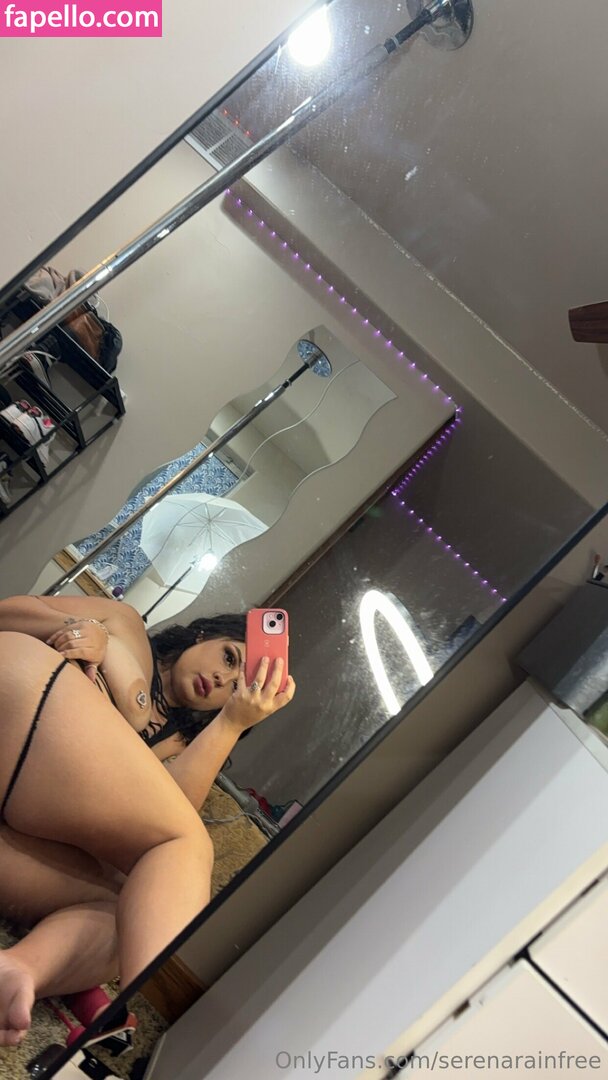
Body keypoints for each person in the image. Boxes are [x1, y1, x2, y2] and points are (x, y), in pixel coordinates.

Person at [0, 593, 295, 1048]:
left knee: (136, 906)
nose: (221, 678)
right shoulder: (125, 624)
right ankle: (173, 1039)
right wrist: (80, 629)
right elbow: (5, 613)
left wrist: (231, 723)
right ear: (203, 634)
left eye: (234, 685)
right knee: (186, 847)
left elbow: (156, 834)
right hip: (19, 701)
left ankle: (22, 967)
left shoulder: (180, 743)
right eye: (228, 656)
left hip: (18, 821)